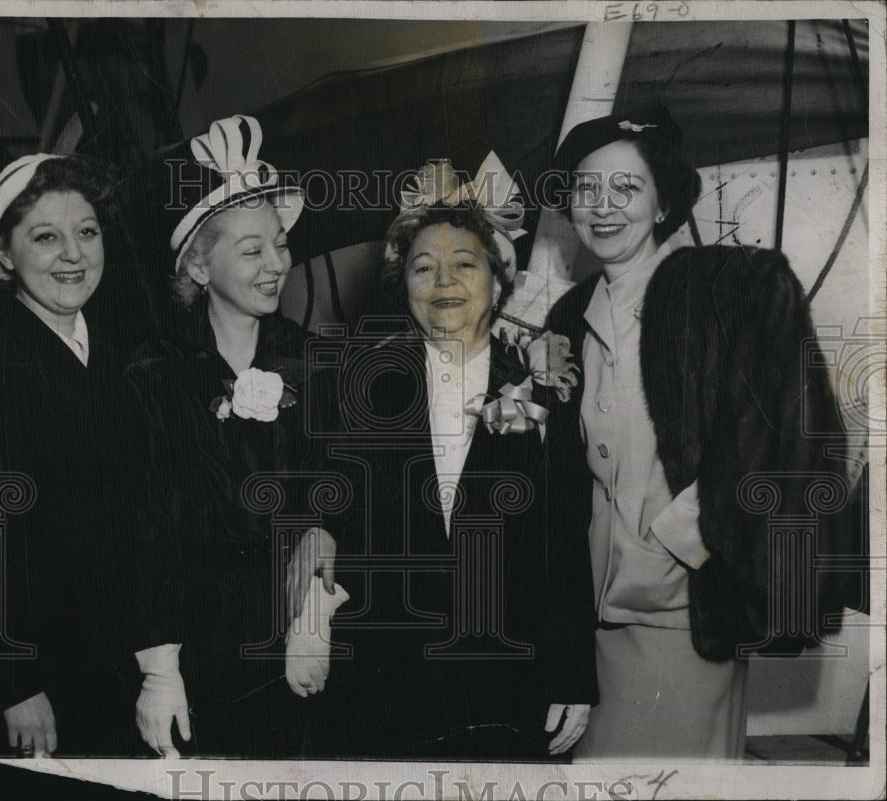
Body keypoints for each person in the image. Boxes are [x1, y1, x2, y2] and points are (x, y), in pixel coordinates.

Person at [543, 105, 852, 759]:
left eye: (626, 188)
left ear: (661, 206)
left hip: (683, 608)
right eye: (586, 187)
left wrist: (669, 553)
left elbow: (776, 437)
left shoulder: (725, 290)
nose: (603, 206)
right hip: (593, 616)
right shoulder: (570, 315)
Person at [330, 156, 598, 759]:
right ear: (403, 287)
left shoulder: (547, 388)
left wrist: (573, 672)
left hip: (512, 676)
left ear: (500, 281)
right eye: (423, 268)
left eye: (464, 264)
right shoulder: (364, 385)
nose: (443, 281)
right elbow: (338, 524)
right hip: (386, 683)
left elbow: (565, 541)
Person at [126, 115, 347, 758]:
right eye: (252, 251)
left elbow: (339, 491)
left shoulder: (317, 364)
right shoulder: (155, 379)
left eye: (279, 243)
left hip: (308, 654)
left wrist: (313, 607)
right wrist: (159, 671)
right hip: (204, 663)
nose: (278, 263)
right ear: (198, 265)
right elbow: (147, 532)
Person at [0, 153, 144, 756]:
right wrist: (12, 682)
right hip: (41, 682)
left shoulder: (117, 356)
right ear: (4, 252)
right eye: (46, 237)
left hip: (116, 661)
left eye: (87, 233)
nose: (73, 255)